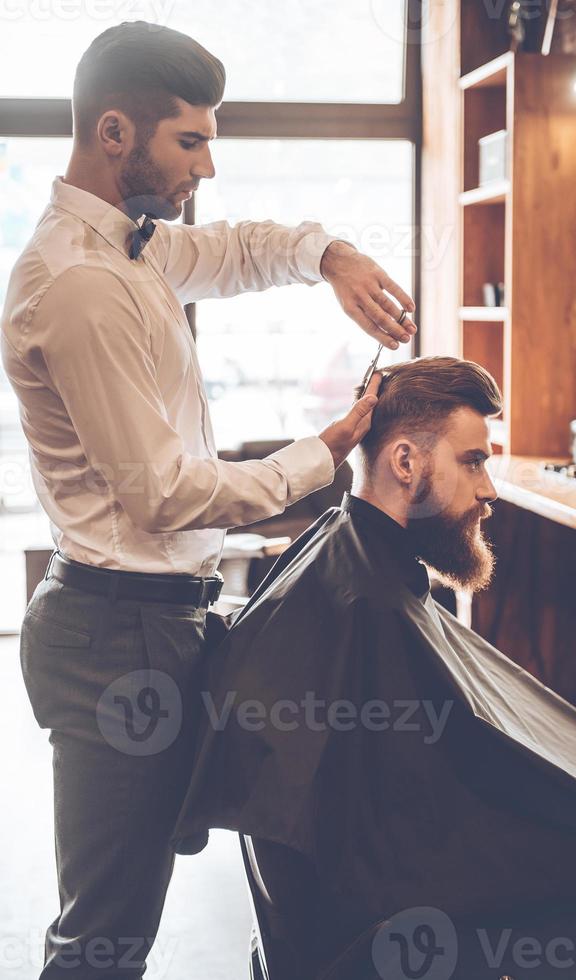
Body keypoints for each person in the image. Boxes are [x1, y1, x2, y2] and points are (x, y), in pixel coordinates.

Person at [0, 20, 417, 980]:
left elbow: (231, 252)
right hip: (117, 640)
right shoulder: (77, 286)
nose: (208, 167)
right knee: (104, 938)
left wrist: (330, 255)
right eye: (191, 142)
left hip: (163, 623)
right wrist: (329, 450)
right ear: (115, 133)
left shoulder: (135, 250)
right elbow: (165, 495)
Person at [174, 356, 576, 980]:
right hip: (369, 941)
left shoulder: (342, 548)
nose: (490, 490)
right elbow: (425, 844)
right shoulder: (368, 603)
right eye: (473, 461)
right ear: (406, 462)